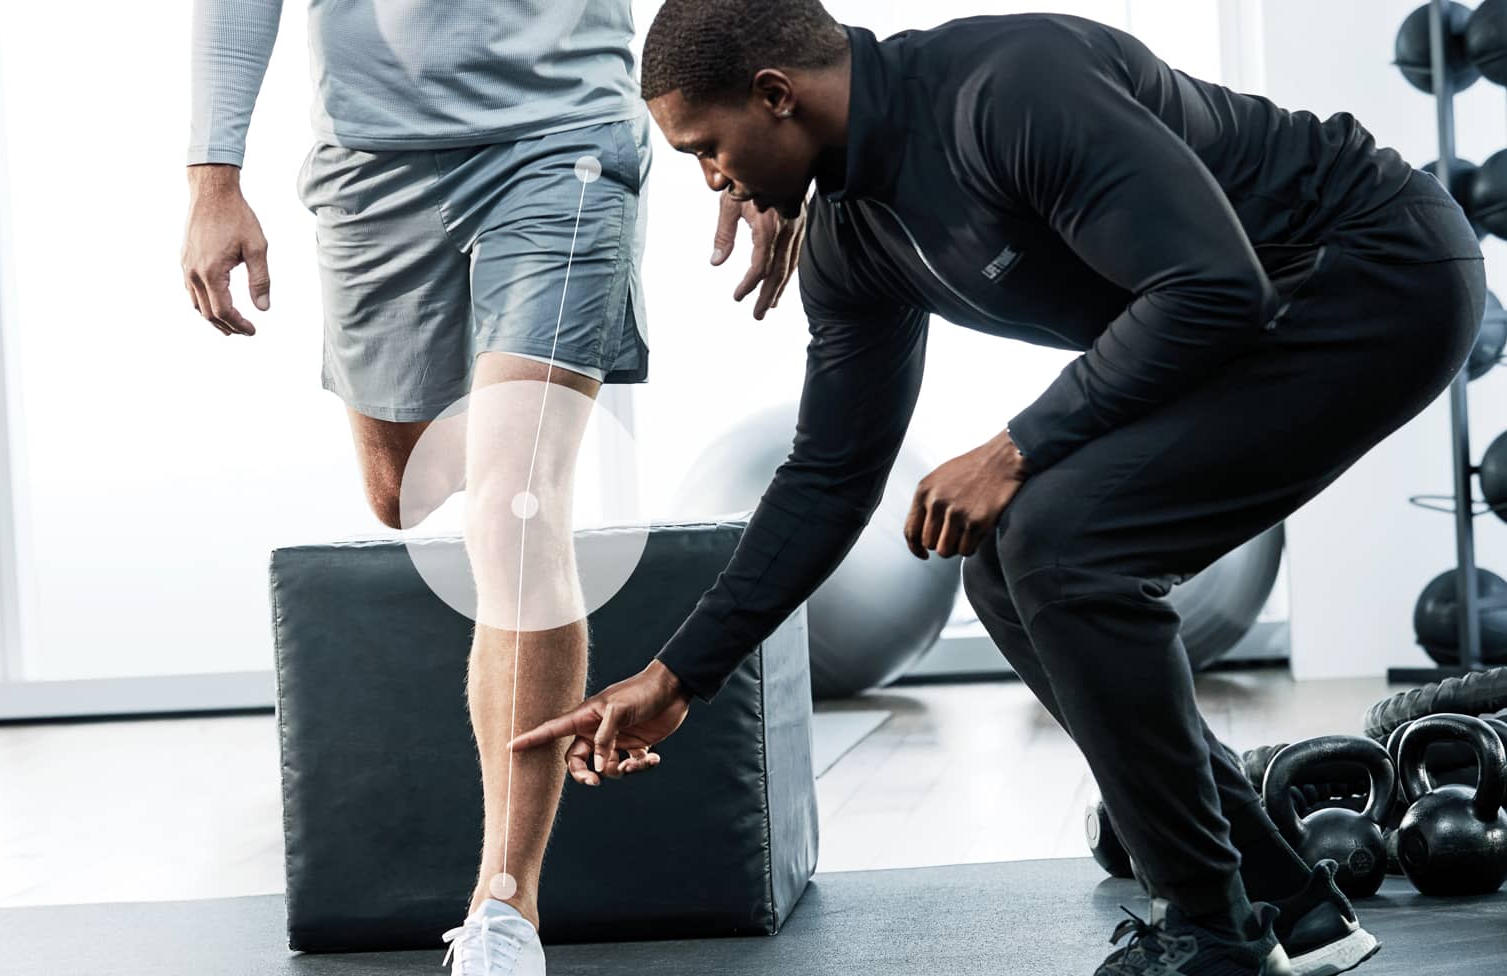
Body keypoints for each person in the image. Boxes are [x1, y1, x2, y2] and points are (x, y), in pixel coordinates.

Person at [510, 4, 1486, 975]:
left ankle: (1211, 936)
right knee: (1004, 566)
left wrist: (1013, 447)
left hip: (1370, 268)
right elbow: (828, 475)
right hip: (1247, 316)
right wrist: (680, 676)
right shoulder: (854, 242)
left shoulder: (1010, 89)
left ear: (775, 96)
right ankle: (1284, 904)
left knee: (1064, 545)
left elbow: (1209, 286)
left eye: (704, 149)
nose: (711, 181)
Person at [179, 3, 802, 975]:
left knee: (514, 504)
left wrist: (769, 142)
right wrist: (212, 174)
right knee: (401, 492)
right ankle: (513, 426)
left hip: (563, 142)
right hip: (372, 157)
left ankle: (504, 908)